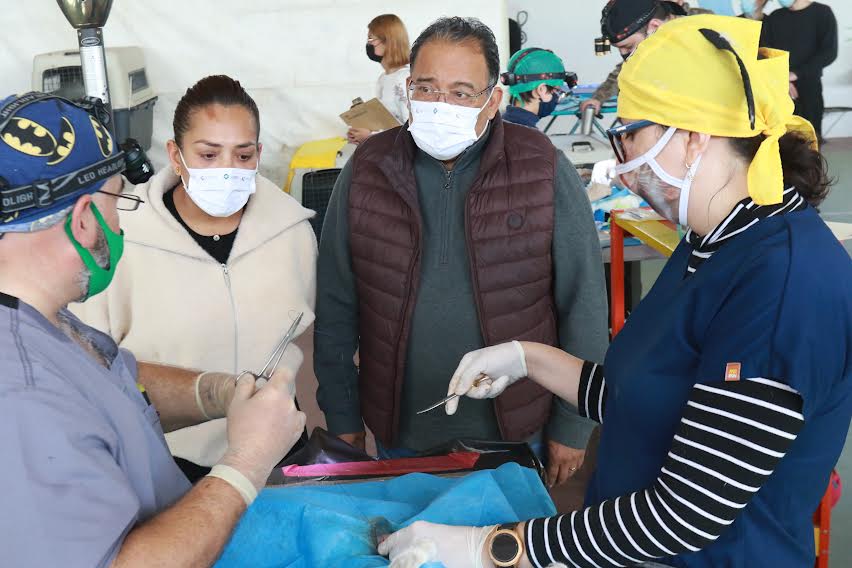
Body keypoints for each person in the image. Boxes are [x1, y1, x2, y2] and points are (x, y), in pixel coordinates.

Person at [379, 14, 852, 567]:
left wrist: (496, 548)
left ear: (695, 136)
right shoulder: (710, 242)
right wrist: (528, 357)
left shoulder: (783, 286)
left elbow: (684, 515)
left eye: (628, 136)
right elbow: (646, 401)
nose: (621, 167)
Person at [0, 92, 306, 566]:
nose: (120, 223)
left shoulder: (44, 321)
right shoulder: (20, 391)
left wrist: (218, 393)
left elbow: (112, 390)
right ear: (84, 220)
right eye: (118, 198)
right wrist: (247, 461)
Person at [315, 17, 609, 487]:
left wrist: (574, 425)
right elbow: (335, 303)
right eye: (426, 88)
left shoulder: (540, 166)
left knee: (503, 550)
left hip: (518, 429)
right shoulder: (368, 169)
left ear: (493, 100)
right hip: (400, 431)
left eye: (461, 92)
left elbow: (584, 304)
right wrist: (342, 414)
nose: (440, 105)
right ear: (407, 89)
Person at [73, 75, 317, 481]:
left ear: (259, 153)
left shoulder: (291, 230)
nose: (227, 170)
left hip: (278, 444)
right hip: (166, 456)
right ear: (175, 154)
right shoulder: (124, 237)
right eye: (208, 155)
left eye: (243, 156)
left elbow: (305, 335)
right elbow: (92, 355)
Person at [579, 0, 710, 117]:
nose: (626, 56)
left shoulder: (704, 25)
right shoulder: (647, 31)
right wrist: (597, 98)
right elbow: (624, 70)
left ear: (655, 26)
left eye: (629, 47)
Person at [761, 0, 838, 141]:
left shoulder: (822, 13)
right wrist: (783, 79)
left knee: (810, 140)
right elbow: (765, 53)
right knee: (782, 140)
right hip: (780, 88)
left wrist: (796, 74)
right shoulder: (775, 17)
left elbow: (829, 53)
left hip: (810, 87)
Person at [348, 14, 411, 145]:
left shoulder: (403, 78)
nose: (368, 44)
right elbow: (387, 122)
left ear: (388, 41)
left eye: (371, 38)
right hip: (384, 151)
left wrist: (370, 136)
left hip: (398, 156)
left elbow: (409, 129)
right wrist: (360, 131)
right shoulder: (383, 78)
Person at [502, 47, 571, 129]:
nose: (557, 96)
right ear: (542, 89)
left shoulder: (501, 123)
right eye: (556, 90)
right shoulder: (533, 138)